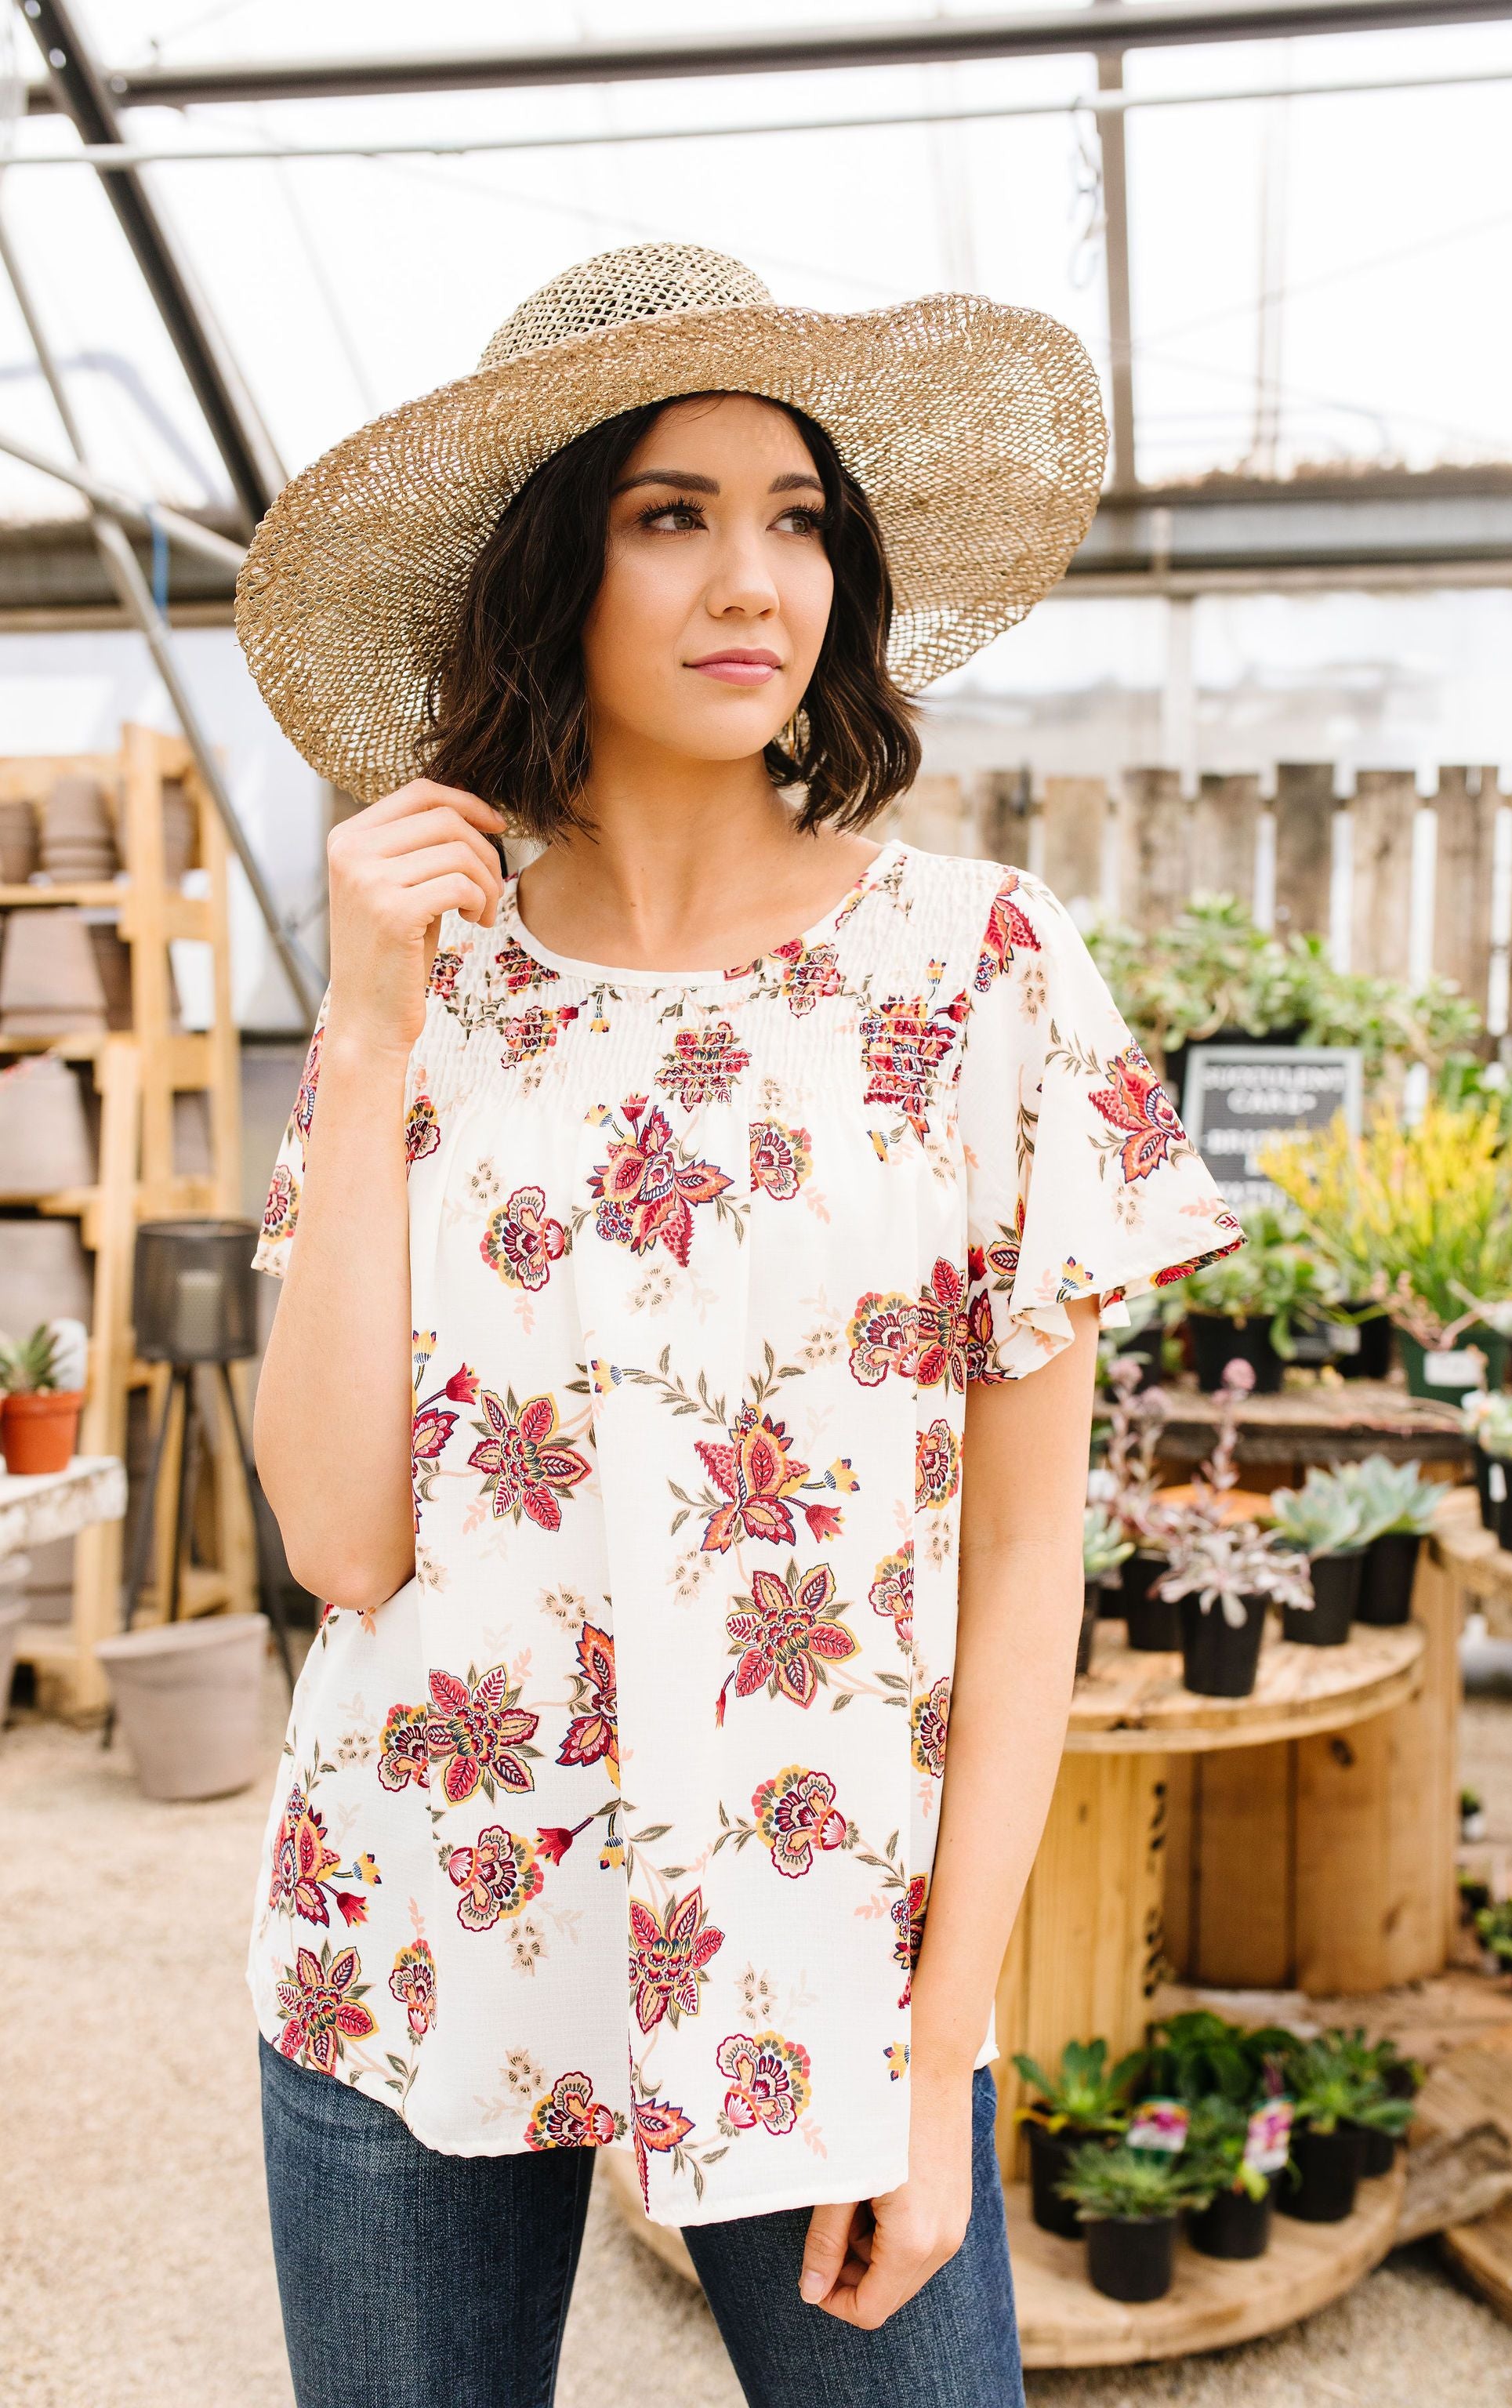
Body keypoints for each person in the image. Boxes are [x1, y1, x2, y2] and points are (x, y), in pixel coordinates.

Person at [239, 243, 1240, 2408]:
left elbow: (1022, 1554)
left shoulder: (977, 967)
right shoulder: (431, 990)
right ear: (547, 575)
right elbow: (336, 1546)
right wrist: (368, 1026)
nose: (751, 575)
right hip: (416, 1917)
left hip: (830, 1961)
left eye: (795, 516)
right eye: (669, 514)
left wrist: (946, 2034)